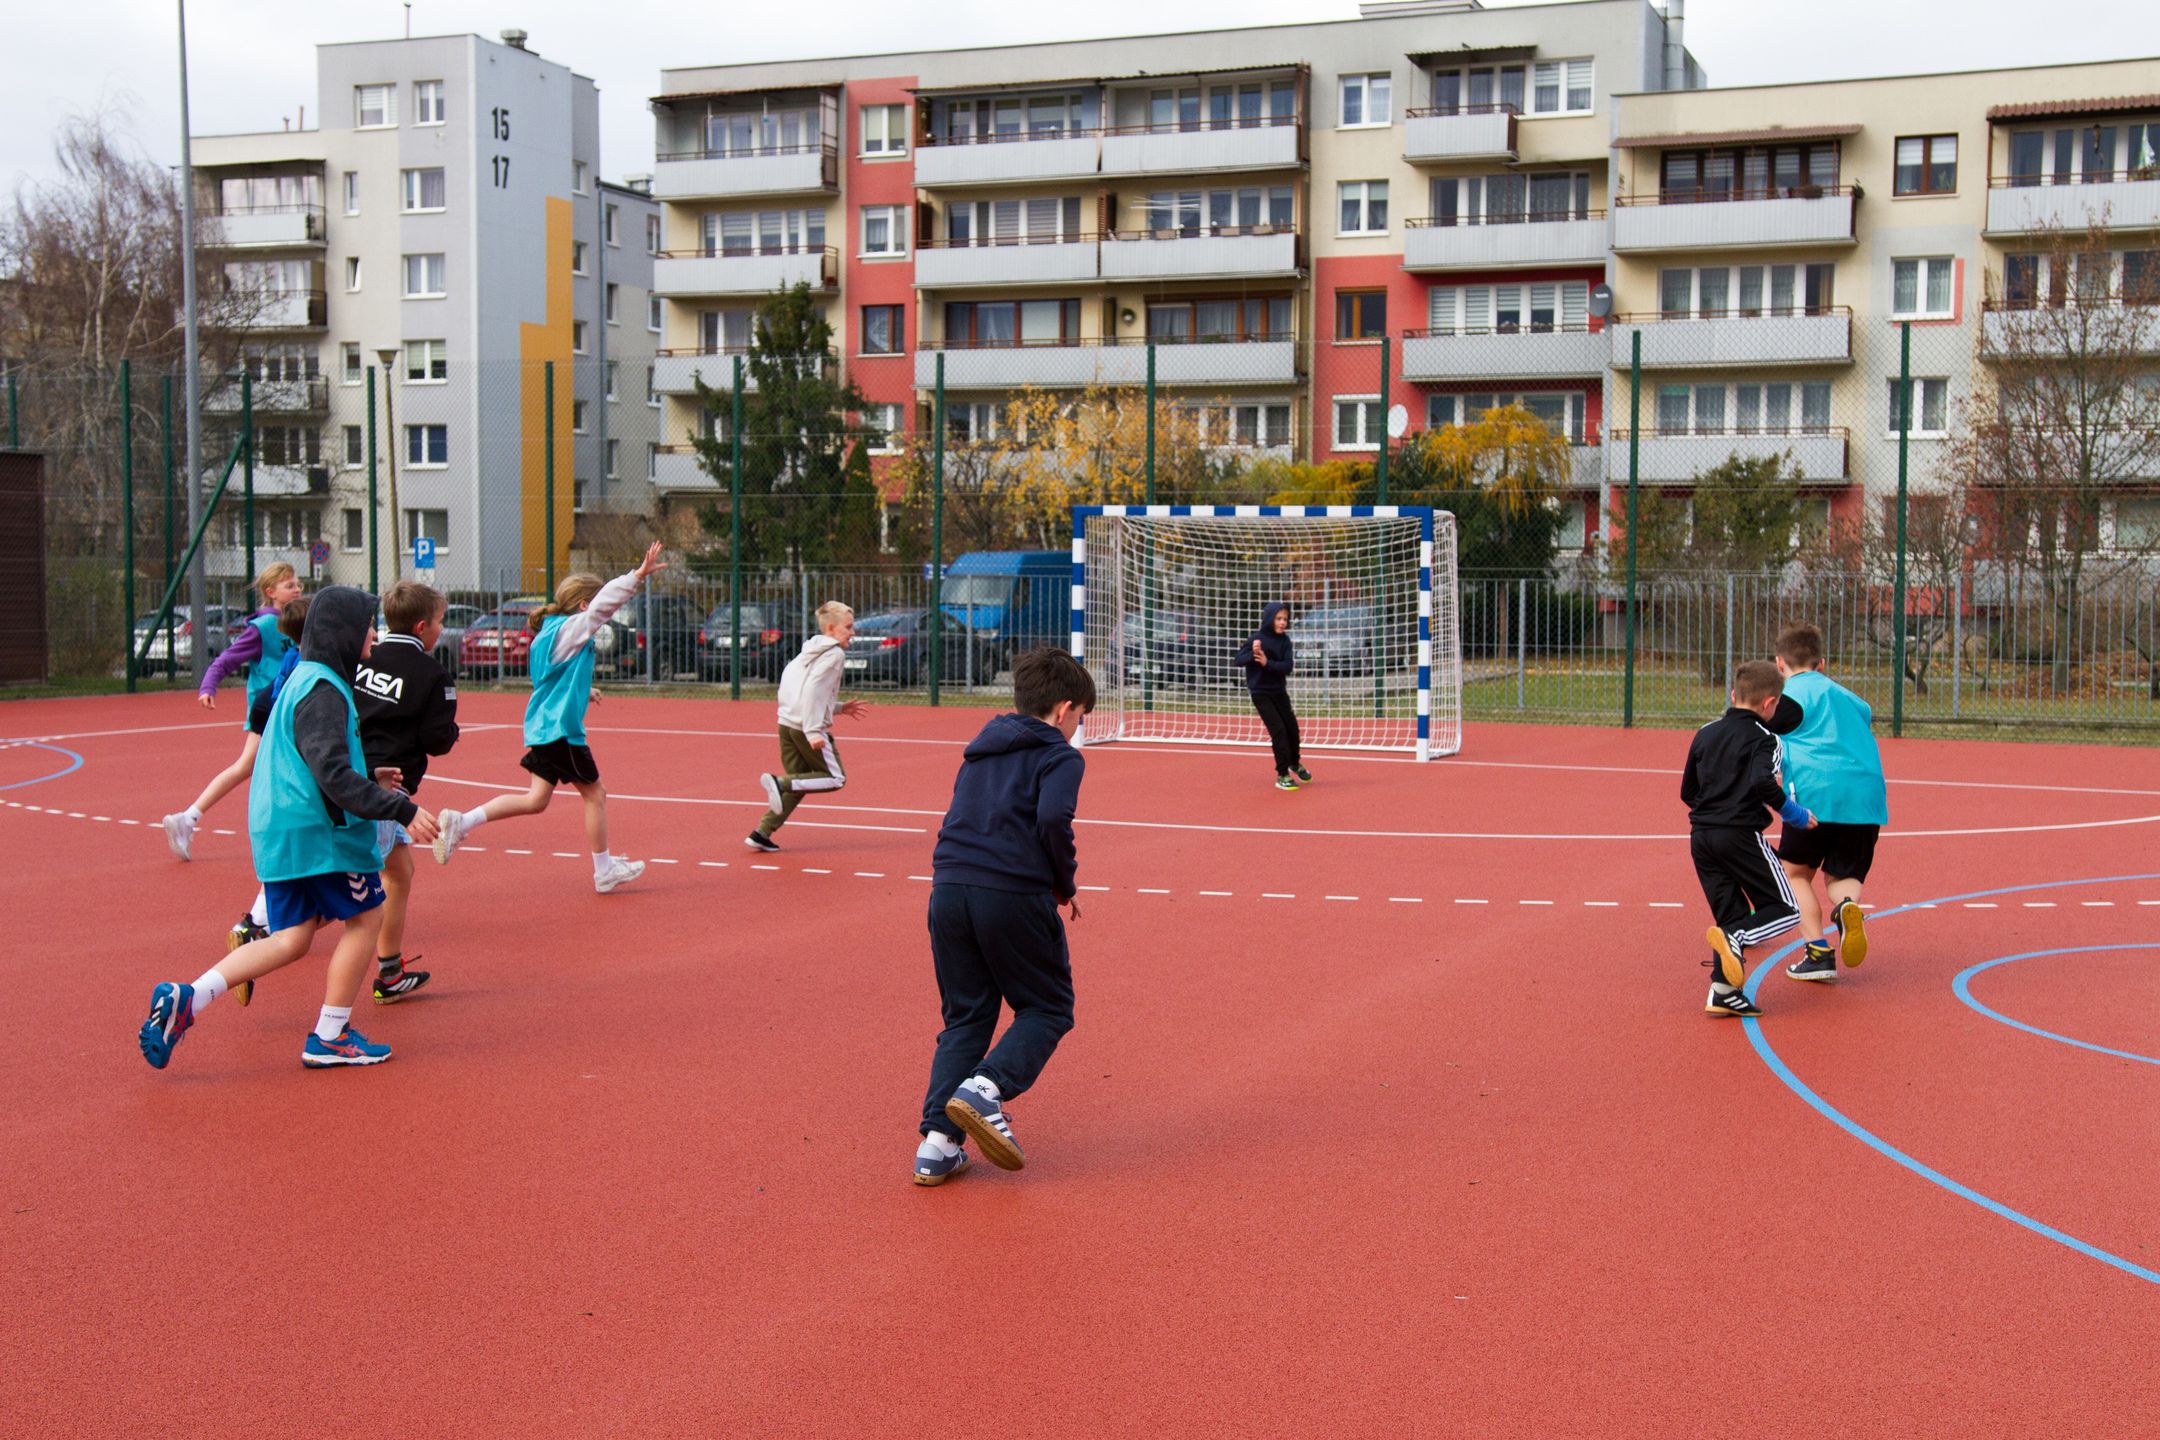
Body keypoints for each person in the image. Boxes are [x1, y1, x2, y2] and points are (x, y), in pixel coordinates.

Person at [136, 586, 440, 1072]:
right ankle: (331, 1034)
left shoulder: (306, 679)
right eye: (367, 624)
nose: (373, 633)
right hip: (316, 833)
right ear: (343, 630)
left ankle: (188, 998)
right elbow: (331, 776)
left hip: (281, 827)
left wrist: (370, 777)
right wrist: (399, 810)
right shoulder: (323, 689)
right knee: (367, 918)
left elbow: (317, 763)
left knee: (291, 938)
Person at [913, 646, 1094, 1186]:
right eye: (1081, 718)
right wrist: (1063, 884)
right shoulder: (1061, 757)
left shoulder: (979, 750)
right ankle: (985, 1088)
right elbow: (1054, 817)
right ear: (1064, 710)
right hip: (1010, 893)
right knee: (1048, 1007)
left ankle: (937, 1144)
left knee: (967, 1016)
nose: (1078, 729)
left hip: (947, 889)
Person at [431, 542, 665, 894]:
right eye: (597, 603)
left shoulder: (549, 634)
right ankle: (603, 869)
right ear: (585, 605)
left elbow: (552, 677)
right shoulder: (570, 629)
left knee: (535, 800)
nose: (606, 612)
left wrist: (583, 690)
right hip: (560, 732)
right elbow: (602, 608)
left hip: (542, 727)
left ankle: (462, 822)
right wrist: (636, 576)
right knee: (596, 795)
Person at [1681, 659, 1814, 1019]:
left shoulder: (1705, 732)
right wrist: (1795, 814)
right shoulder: (1767, 739)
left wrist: (1713, 813)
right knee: (1785, 909)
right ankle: (1735, 941)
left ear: (1733, 694)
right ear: (1770, 704)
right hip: (1739, 834)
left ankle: (1724, 991)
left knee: (1732, 915)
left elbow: (1687, 790)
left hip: (1701, 837)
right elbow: (1761, 782)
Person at [355, 579, 461, 1002]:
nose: (441, 630)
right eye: (440, 622)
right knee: (350, 886)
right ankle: (263, 928)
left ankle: (390, 970)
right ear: (421, 626)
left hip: (351, 775)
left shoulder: (362, 657)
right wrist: (452, 731)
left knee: (399, 873)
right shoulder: (432, 673)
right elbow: (437, 739)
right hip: (386, 788)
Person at [162, 561, 307, 860]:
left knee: (254, 767)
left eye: (298, 584)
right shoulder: (264, 627)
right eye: (290, 585)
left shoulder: (299, 622)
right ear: (271, 592)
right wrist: (208, 686)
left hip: (290, 706)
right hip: (270, 709)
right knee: (260, 767)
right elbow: (227, 659)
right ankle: (189, 818)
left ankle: (188, 818)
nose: (297, 589)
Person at [1772, 623, 1885, 983]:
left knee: (1796, 873)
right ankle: (1847, 907)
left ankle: (1817, 952)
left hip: (1814, 795)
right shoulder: (1853, 700)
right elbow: (1863, 719)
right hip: (1864, 797)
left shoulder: (1787, 699)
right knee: (1843, 874)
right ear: (1822, 662)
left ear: (1779, 663)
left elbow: (1762, 733)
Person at [219, 595, 312, 1002]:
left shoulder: (295, 658)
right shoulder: (308, 669)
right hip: (289, 766)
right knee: (357, 897)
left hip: (277, 749)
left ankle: (254, 925)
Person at [748, 600, 869, 853]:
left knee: (801, 781)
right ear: (831, 628)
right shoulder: (835, 654)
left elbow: (794, 684)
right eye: (849, 627)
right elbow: (814, 689)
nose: (853, 632)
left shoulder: (808, 650)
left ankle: (762, 832)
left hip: (787, 725)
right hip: (805, 727)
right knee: (835, 779)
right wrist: (813, 730)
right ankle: (778, 782)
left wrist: (838, 707)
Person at [1238, 602, 1309, 791]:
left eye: (1285, 619)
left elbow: (1287, 667)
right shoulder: (1256, 639)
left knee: (1292, 729)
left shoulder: (1285, 642)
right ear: (1270, 619)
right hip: (1261, 693)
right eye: (1279, 619)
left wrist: (1267, 662)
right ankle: (1283, 774)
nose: (1283, 622)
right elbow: (1238, 660)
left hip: (1279, 692)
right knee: (1278, 730)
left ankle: (1294, 763)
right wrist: (1253, 653)